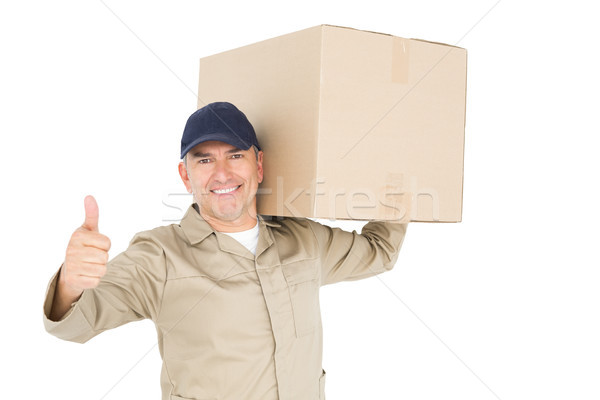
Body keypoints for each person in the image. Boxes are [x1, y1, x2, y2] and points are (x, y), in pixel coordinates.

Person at [43, 102, 408, 400]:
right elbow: (76, 325)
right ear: (185, 176)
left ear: (259, 165)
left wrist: (401, 177)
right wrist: (70, 285)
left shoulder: (302, 240)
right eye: (204, 160)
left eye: (235, 156)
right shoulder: (159, 255)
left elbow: (380, 250)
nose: (221, 173)